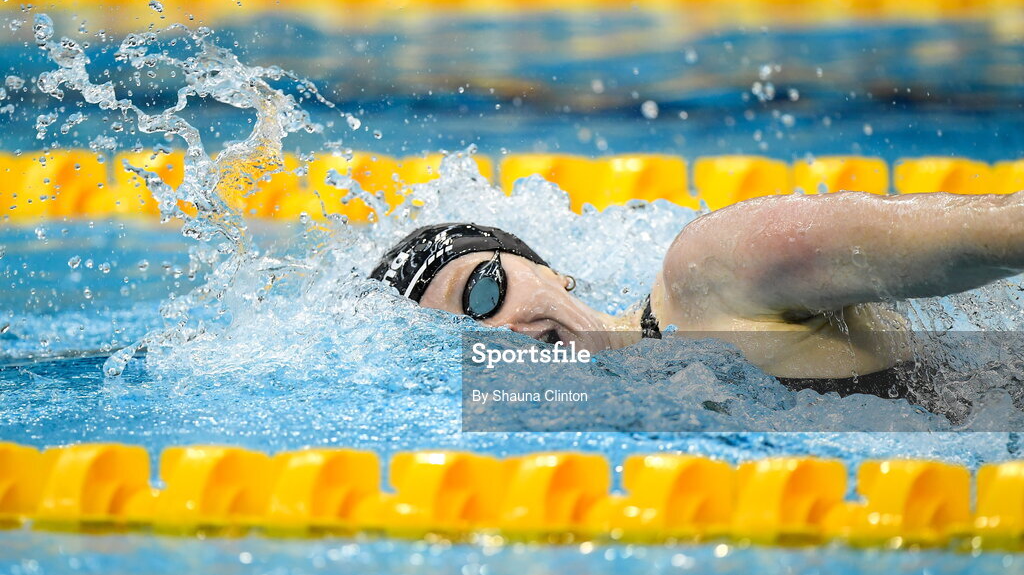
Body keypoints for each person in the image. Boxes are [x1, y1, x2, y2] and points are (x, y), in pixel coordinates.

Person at [370, 191, 1024, 400]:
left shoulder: (711, 269)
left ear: (553, 272)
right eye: (469, 339)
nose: (503, 332)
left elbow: (1001, 229)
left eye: (483, 293)